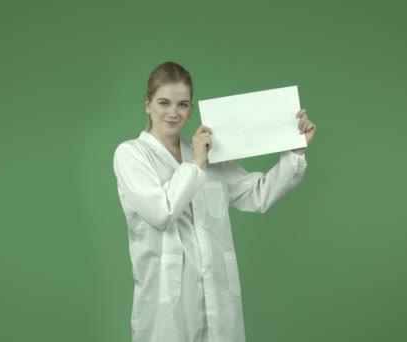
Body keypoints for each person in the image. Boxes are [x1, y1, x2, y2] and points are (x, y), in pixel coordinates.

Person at [112, 61, 316, 342]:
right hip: (168, 304)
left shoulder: (207, 153)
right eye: (164, 103)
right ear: (147, 104)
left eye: (182, 104)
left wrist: (294, 152)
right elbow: (162, 212)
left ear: (191, 108)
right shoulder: (132, 155)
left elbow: (258, 194)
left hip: (218, 296)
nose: (173, 113)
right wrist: (196, 163)